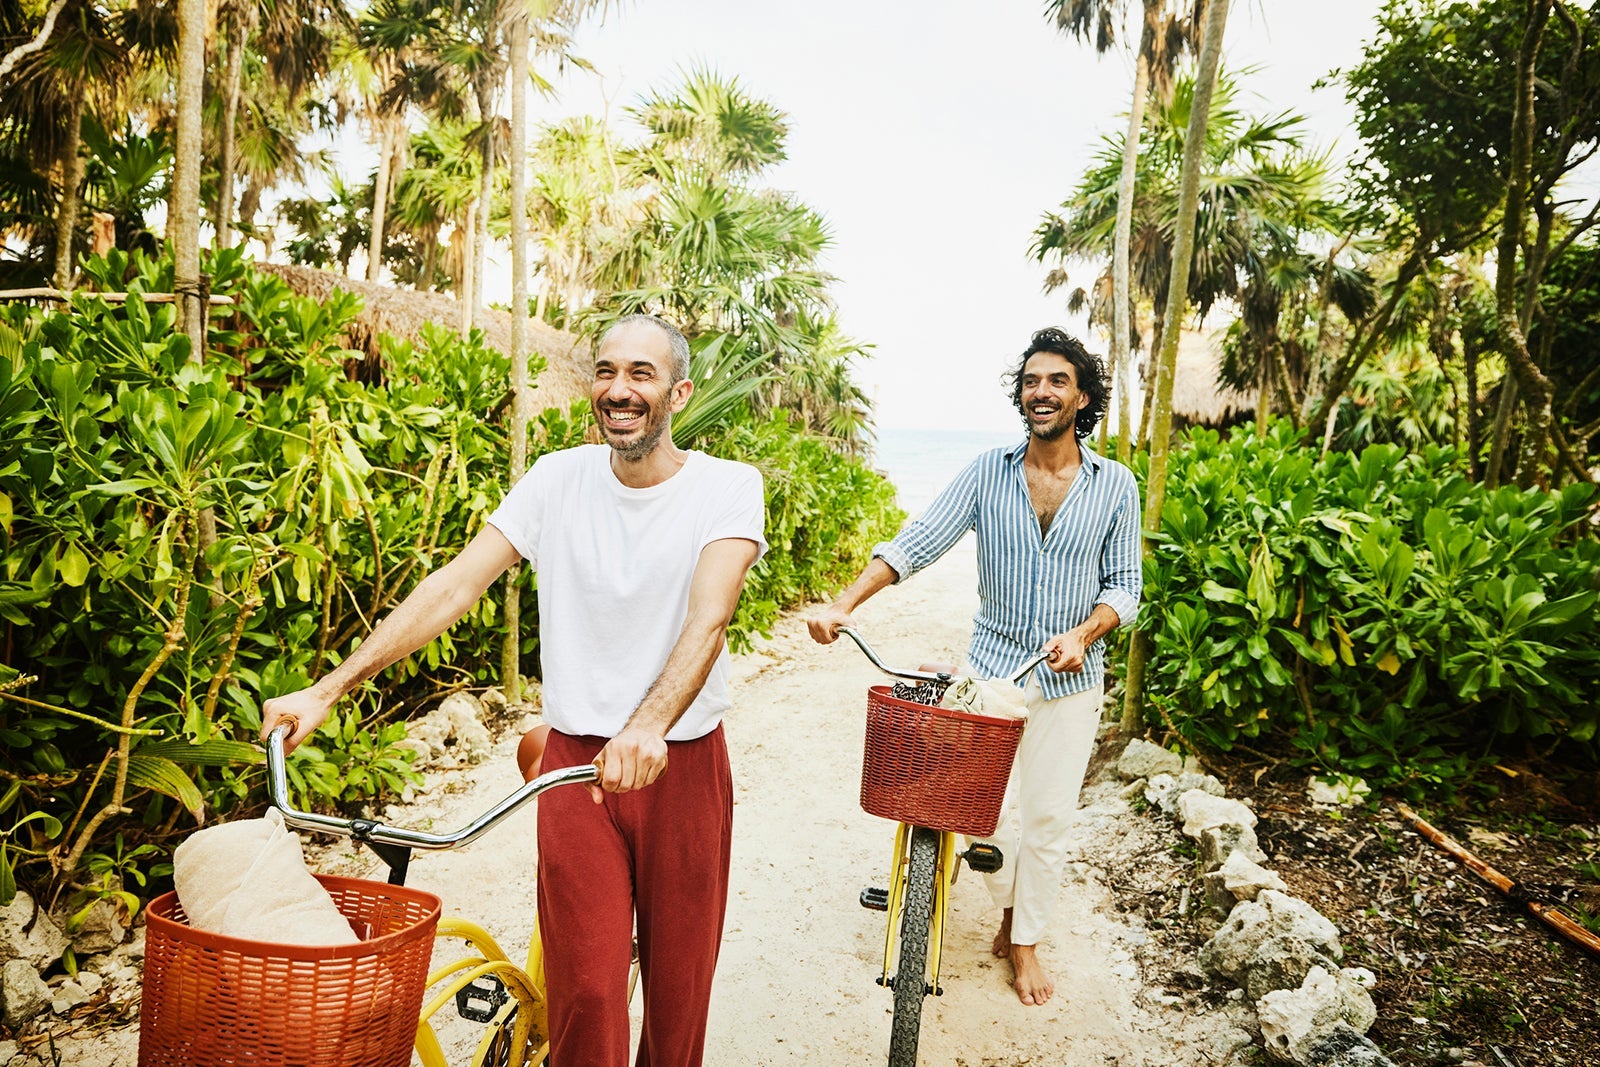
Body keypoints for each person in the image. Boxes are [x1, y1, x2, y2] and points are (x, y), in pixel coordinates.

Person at [261, 313, 766, 1067]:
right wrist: (329, 688)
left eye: (640, 373)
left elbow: (710, 615)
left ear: (678, 393)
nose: (618, 389)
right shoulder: (558, 478)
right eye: (605, 371)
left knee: (676, 1003)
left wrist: (649, 726)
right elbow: (456, 584)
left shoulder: (726, 487)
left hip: (680, 766)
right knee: (587, 996)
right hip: (572, 767)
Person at [806, 327, 1140, 1008]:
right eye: (1031, 381)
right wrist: (843, 602)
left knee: (1046, 819)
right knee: (973, 816)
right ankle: (1015, 903)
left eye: (1057, 381)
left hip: (1072, 679)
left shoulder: (1115, 485)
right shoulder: (989, 471)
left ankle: (1023, 939)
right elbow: (918, 541)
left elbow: (1125, 586)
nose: (1041, 392)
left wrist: (1085, 631)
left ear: (1081, 396)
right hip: (993, 670)